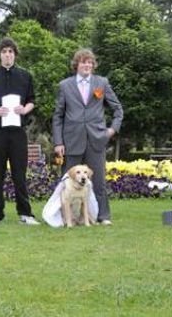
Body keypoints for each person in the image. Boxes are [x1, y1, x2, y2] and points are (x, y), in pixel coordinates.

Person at [52, 48, 123, 225]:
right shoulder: (65, 85)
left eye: (90, 62)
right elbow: (58, 116)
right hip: (71, 141)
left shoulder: (102, 83)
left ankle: (103, 217)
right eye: (84, 62)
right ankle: (65, 218)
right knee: (67, 183)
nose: (87, 65)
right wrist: (58, 142)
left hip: (96, 139)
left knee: (98, 182)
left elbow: (118, 110)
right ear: (77, 64)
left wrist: (111, 130)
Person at [0, 37, 40, 225]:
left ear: (15, 54)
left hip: (18, 132)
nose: (8, 55)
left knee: (19, 174)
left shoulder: (25, 76)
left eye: (11, 52)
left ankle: (25, 213)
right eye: (4, 52)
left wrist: (25, 109)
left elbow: (32, 101)